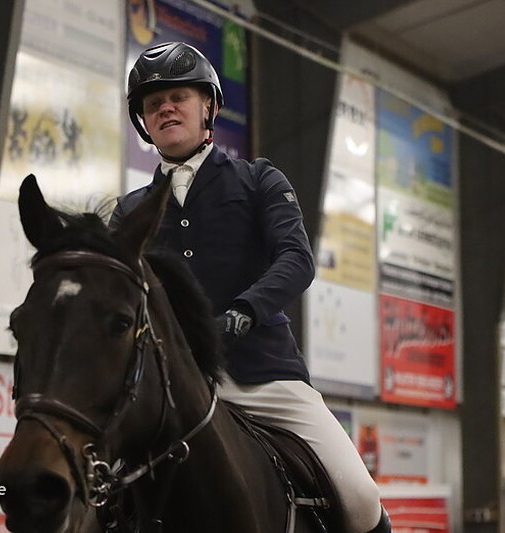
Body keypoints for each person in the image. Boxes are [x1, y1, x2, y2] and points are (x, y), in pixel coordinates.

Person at [110, 41, 390, 533]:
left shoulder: (260, 179)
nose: (166, 108)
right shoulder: (129, 211)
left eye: (178, 97)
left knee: (362, 498)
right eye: (154, 104)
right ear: (144, 123)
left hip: (263, 374)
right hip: (171, 386)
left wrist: (243, 312)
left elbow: (296, 259)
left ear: (208, 108)